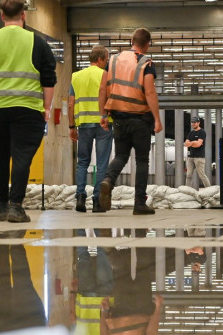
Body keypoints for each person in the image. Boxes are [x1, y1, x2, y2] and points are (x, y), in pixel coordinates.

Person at [0, 0, 56, 223]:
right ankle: (16, 207)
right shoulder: (37, 42)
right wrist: (46, 108)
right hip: (28, 109)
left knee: (0, 155)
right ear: (24, 16)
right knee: (22, 157)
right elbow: (48, 78)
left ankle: (2, 205)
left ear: (1, 16)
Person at [97, 28, 163, 215]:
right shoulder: (146, 62)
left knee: (120, 156)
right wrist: (157, 119)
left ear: (132, 41)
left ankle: (108, 180)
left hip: (118, 118)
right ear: (147, 44)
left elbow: (103, 89)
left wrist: (103, 114)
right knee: (142, 160)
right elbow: (149, 91)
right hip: (140, 118)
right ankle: (139, 203)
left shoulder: (113, 60)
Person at [68, 45, 113, 213]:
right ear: (100, 59)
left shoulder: (76, 76)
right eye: (106, 60)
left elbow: (70, 103)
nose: (107, 63)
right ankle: (97, 202)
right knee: (101, 164)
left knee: (82, 162)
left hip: (83, 124)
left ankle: (80, 197)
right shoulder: (105, 75)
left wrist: (71, 126)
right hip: (103, 124)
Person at [0, 234, 47, 335]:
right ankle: (3, 240)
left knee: (22, 279)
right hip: (3, 326)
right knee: (1, 283)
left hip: (30, 321)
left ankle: (16, 240)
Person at [184, 116, 211, 188]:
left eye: (194, 122)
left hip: (199, 157)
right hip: (191, 157)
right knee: (188, 175)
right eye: (192, 122)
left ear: (198, 123)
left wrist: (191, 143)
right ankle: (187, 190)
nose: (193, 124)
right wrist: (194, 142)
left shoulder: (202, 132)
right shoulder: (191, 133)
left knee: (202, 175)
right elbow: (186, 144)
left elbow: (198, 144)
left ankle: (209, 189)